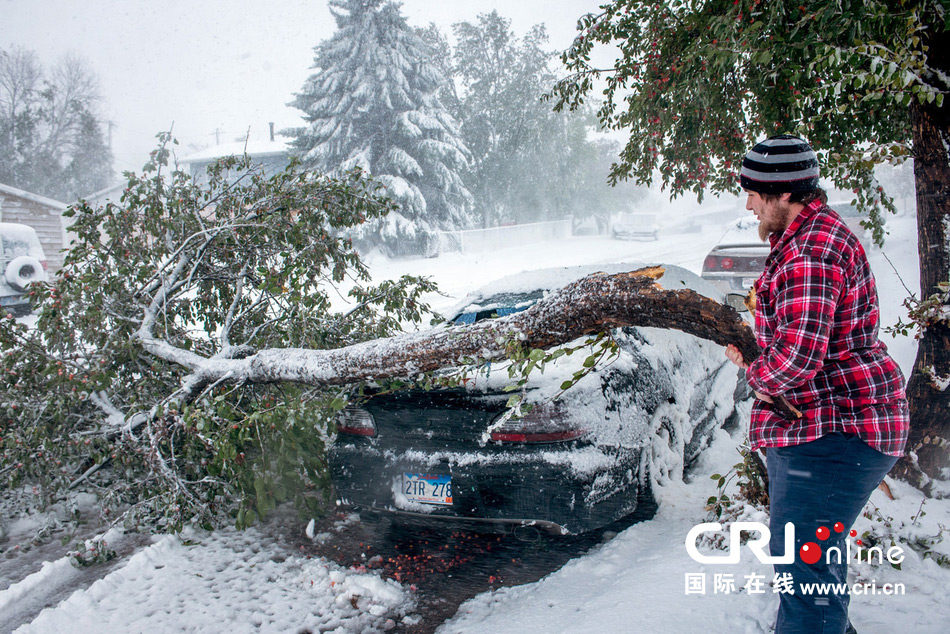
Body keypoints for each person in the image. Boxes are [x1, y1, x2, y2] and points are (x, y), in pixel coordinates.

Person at [724, 134, 909, 634]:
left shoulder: (810, 249)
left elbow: (800, 357)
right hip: (824, 429)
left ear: (784, 193)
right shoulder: (808, 239)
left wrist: (758, 373)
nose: (748, 204)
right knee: (813, 572)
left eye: (754, 194)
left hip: (835, 433)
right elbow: (800, 339)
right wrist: (759, 353)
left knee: (807, 581)